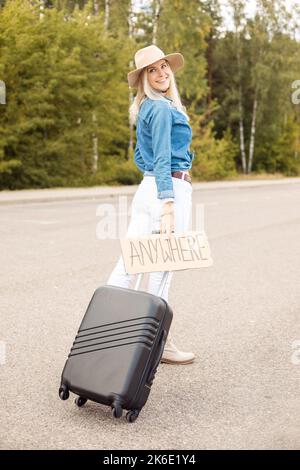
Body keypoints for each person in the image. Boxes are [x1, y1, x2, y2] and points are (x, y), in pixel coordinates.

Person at [106, 44, 195, 365]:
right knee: (160, 271)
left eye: (163, 67)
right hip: (166, 190)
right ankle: (157, 346)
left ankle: (105, 338)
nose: (161, 73)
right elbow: (159, 157)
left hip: (148, 189)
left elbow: (140, 157)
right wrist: (168, 203)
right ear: (144, 77)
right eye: (152, 70)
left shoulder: (148, 108)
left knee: (129, 265)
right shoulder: (160, 109)